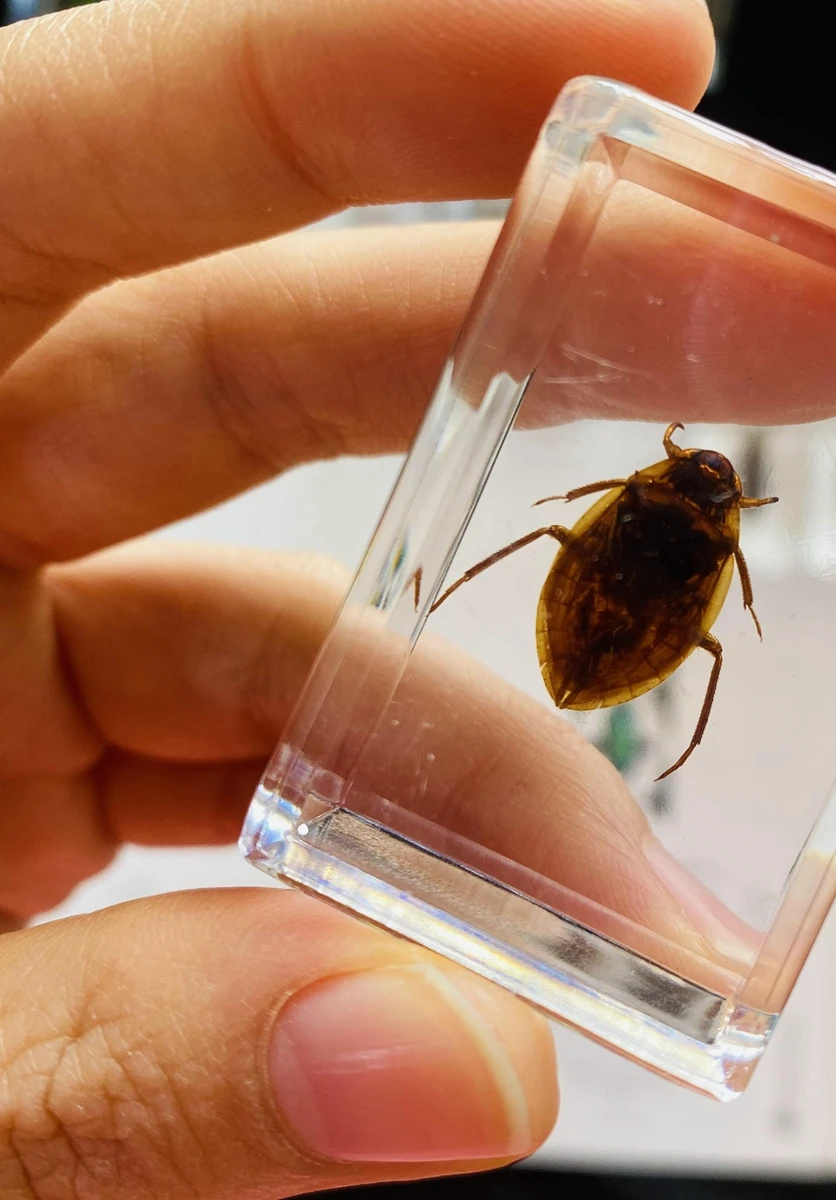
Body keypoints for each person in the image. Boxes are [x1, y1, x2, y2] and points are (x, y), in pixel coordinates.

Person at [0, 0, 717, 1195]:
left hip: (613, 580)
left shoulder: (645, 499)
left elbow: (594, 535)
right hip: (630, 597)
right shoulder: (692, 536)